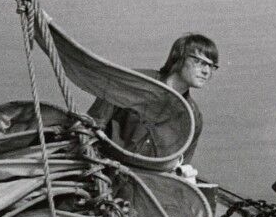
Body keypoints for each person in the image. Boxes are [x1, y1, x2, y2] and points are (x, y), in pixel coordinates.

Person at [87, 33, 218, 172]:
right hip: (104, 169)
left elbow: (181, 162)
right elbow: (92, 125)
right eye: (200, 62)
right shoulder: (131, 82)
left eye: (212, 66)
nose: (206, 71)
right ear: (179, 58)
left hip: (146, 183)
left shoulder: (192, 117)